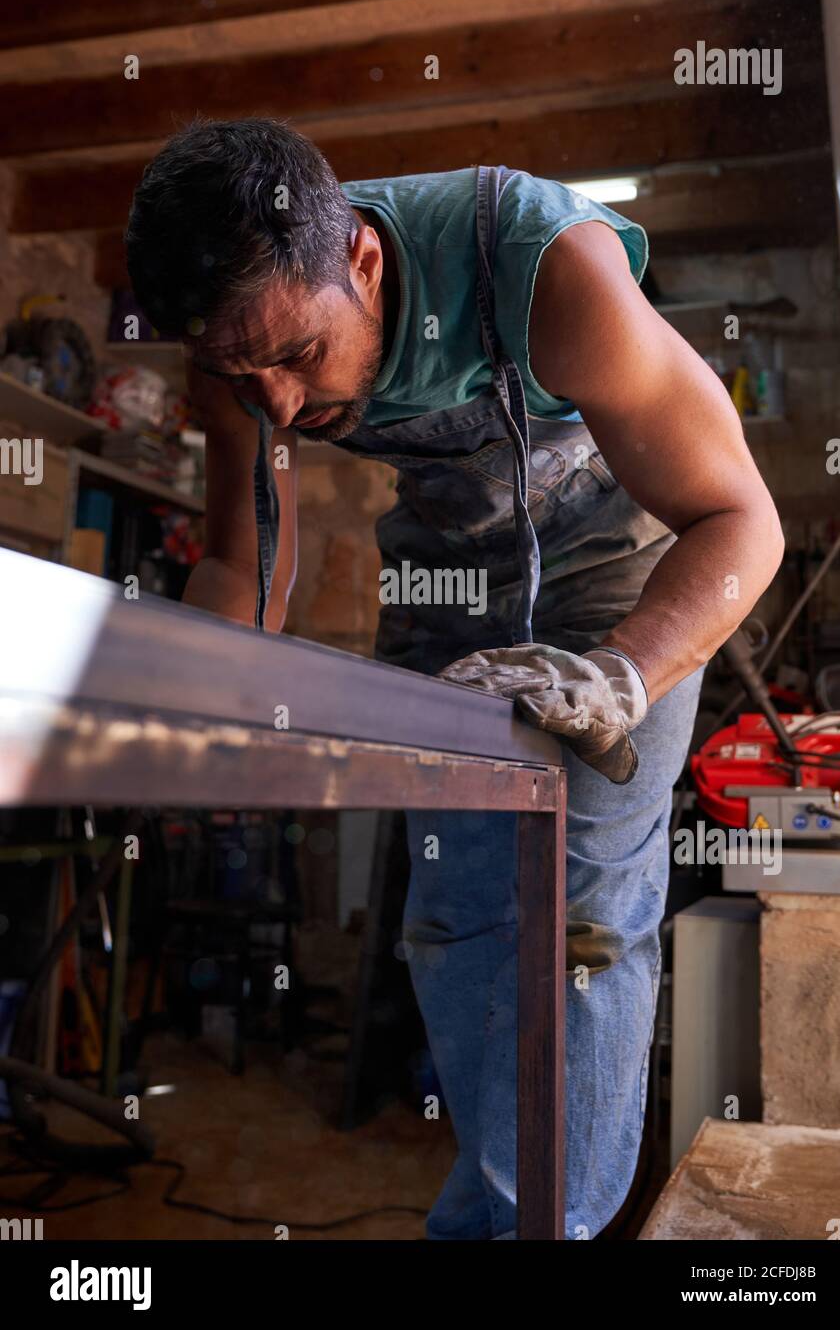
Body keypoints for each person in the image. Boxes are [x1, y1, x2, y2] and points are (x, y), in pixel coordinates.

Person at [126, 117, 783, 1239]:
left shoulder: (540, 265)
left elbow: (741, 522)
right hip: (449, 590)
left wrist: (620, 678)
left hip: (620, 585)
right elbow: (247, 557)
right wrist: (192, 692)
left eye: (295, 358)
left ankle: (542, 1228)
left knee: (580, 919)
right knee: (461, 914)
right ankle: (497, 1211)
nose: (276, 403)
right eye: (240, 372)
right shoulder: (245, 345)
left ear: (367, 266)